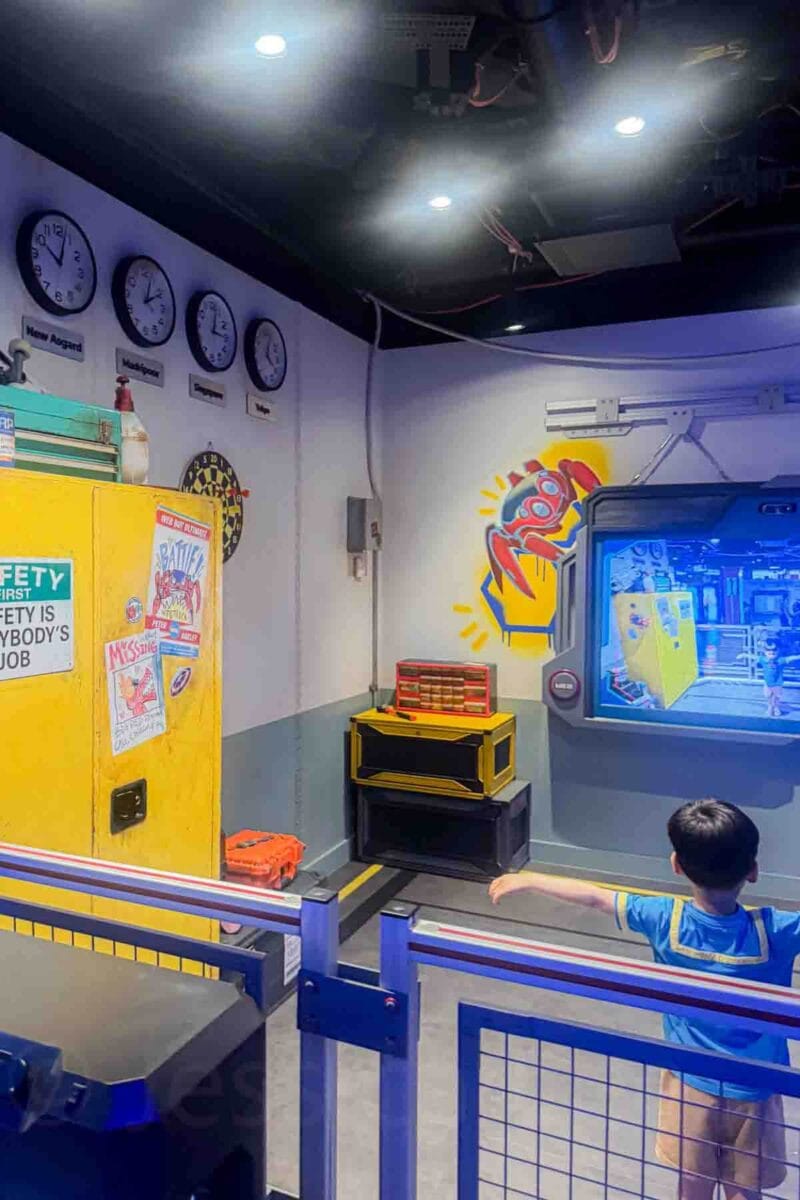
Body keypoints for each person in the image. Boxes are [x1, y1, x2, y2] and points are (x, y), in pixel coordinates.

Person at [490, 800, 800, 1200]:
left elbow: (595, 897)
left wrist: (530, 879)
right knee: (745, 1191)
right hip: (758, 1087)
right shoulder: (777, 930)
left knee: (692, 1187)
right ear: (753, 871)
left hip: (690, 1085)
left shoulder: (663, 919)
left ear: (677, 864)